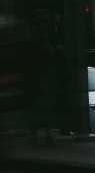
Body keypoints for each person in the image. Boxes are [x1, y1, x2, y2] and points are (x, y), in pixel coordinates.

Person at [25, 8, 68, 147]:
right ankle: (43, 134)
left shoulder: (52, 36)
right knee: (43, 105)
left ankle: (40, 134)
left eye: (49, 21)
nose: (48, 24)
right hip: (40, 75)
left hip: (49, 74)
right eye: (45, 21)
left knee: (46, 104)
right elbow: (31, 57)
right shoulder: (36, 37)